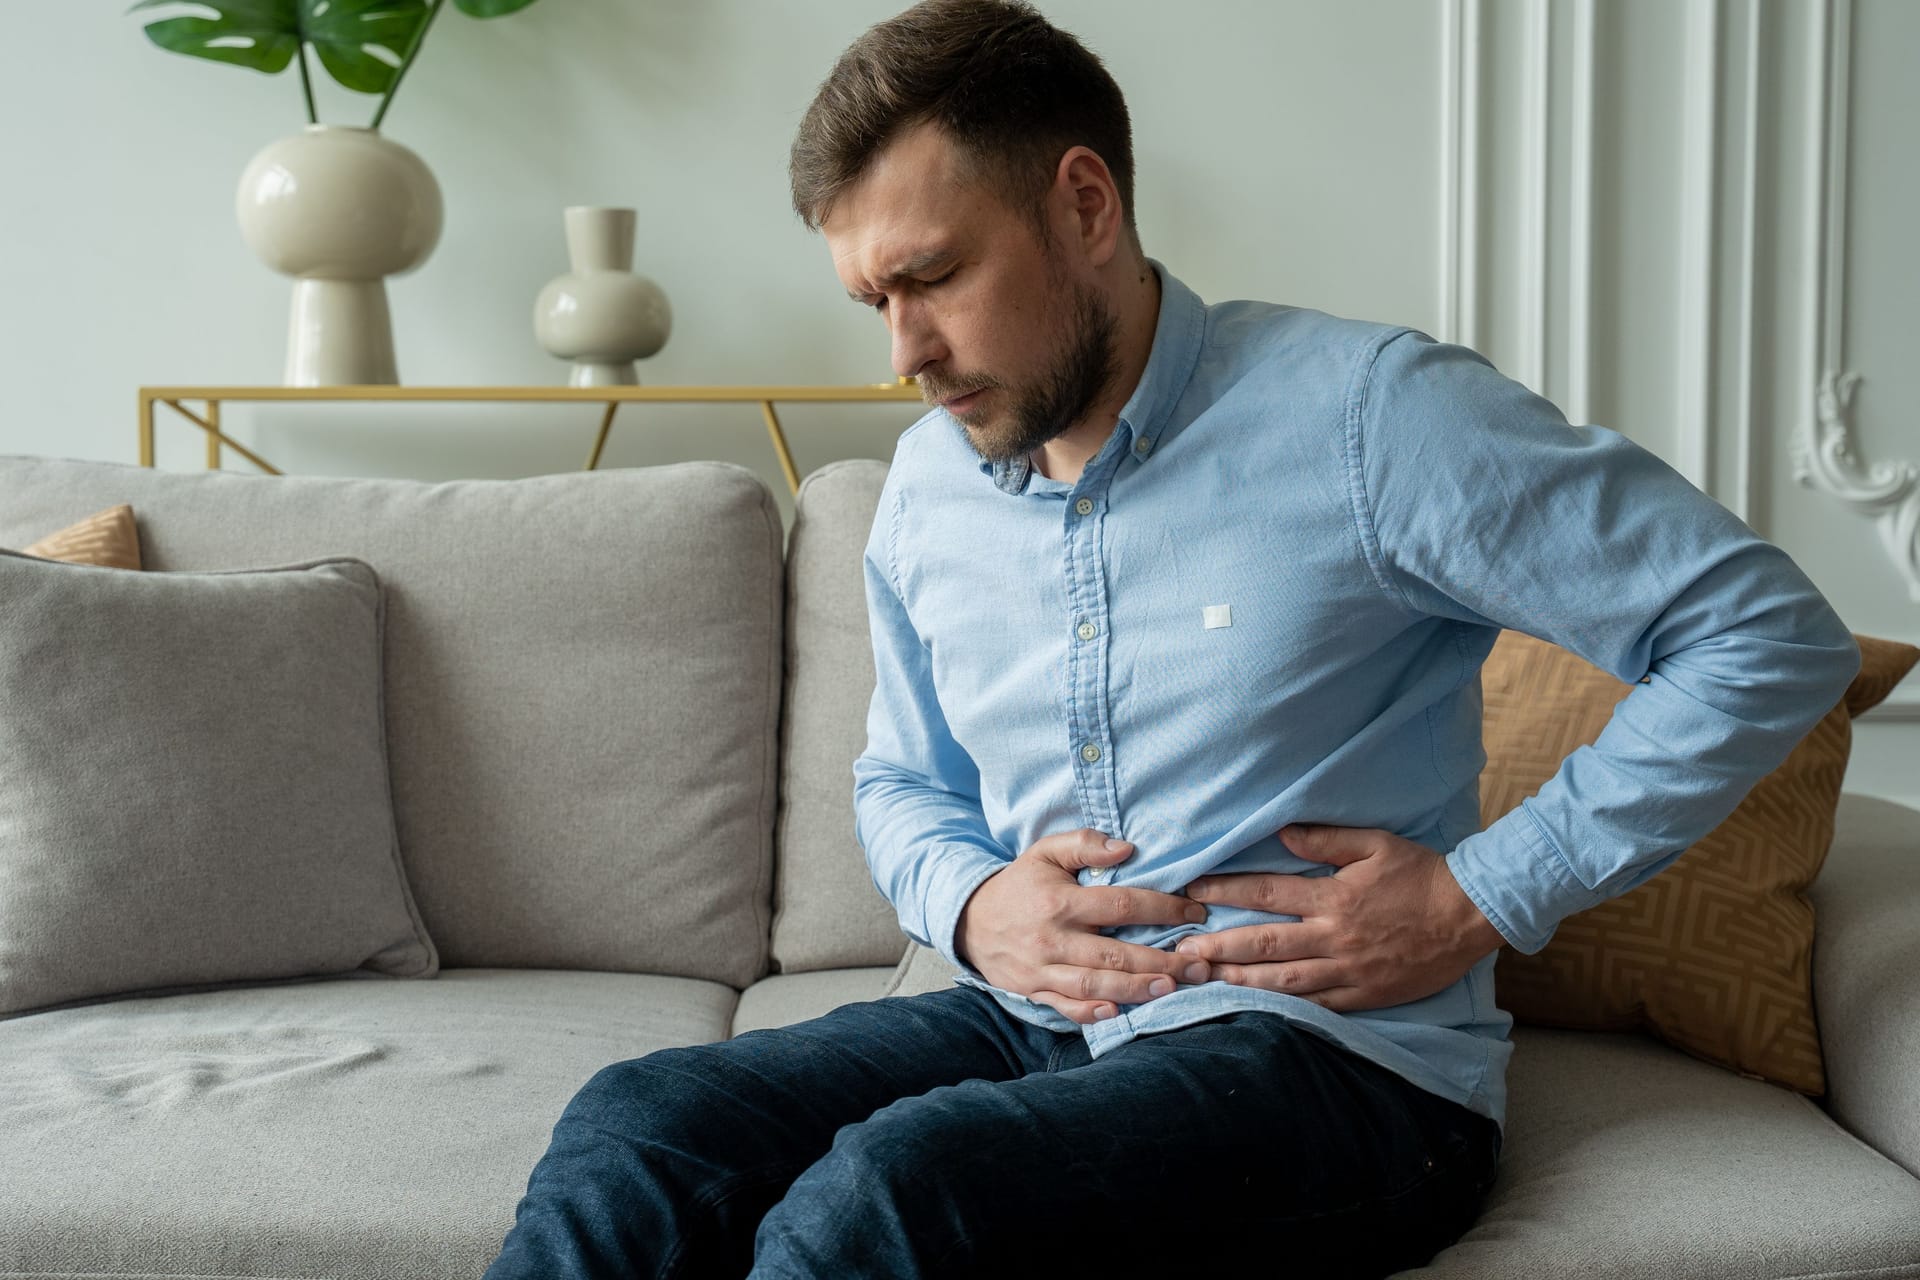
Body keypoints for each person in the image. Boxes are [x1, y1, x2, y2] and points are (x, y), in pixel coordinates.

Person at [484, 2, 1861, 1276]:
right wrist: (974, 905)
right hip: (1033, 1023)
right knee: (647, 1119)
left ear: (1084, 203)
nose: (902, 351)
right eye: (872, 301)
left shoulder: (1373, 416)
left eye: (935, 277)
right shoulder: (925, 487)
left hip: (1339, 1071)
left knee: (899, 1194)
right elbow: (901, 786)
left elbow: (1764, 634)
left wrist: (1482, 895)